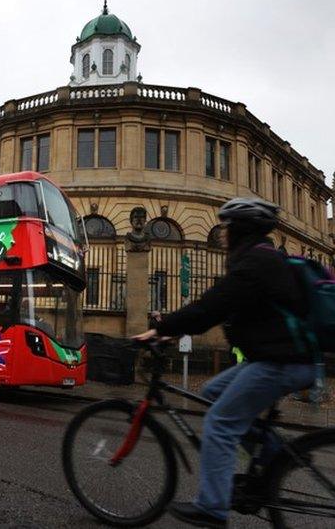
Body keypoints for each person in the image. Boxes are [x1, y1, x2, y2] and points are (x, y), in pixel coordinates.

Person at [133, 198, 316, 528]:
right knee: (214, 391)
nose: (223, 234)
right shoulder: (261, 259)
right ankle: (277, 455)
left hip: (280, 361)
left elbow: (211, 307)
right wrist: (175, 332)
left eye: (229, 227)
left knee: (219, 424)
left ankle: (211, 509)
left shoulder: (255, 263)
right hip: (275, 357)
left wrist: (161, 328)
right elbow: (224, 309)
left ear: (241, 230)